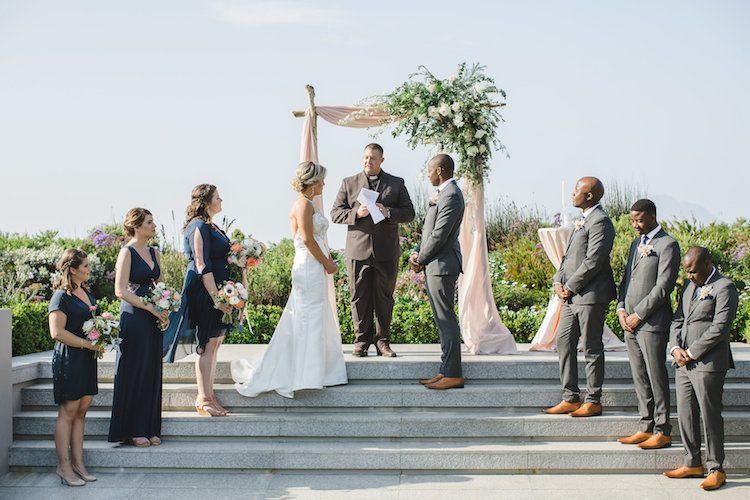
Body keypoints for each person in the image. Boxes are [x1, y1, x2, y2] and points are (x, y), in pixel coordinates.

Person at [231, 162, 347, 397]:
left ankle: (317, 370)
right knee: (309, 315)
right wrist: (327, 263)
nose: (324, 183)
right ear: (313, 181)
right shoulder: (303, 204)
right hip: (309, 265)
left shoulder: (308, 203)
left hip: (312, 264)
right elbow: (307, 240)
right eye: (322, 180)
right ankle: (306, 373)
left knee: (313, 315)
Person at [664, 246, 738, 491]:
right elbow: (678, 319)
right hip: (683, 362)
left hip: (708, 363)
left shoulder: (724, 287)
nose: (689, 276)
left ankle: (716, 468)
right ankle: (692, 462)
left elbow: (720, 327)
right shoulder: (688, 287)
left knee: (710, 415)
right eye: (686, 272)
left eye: (693, 271)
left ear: (708, 264)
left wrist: (692, 352)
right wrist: (675, 348)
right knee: (686, 413)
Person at [331, 143, 415, 357]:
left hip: (386, 251)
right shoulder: (348, 183)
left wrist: (388, 212)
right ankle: (361, 342)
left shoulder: (396, 184)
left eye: (373, 158)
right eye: (366, 158)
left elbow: (409, 213)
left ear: (382, 160)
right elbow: (335, 213)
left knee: (385, 297)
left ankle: (383, 342)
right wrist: (355, 214)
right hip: (357, 251)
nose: (369, 162)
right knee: (358, 297)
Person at [543, 176, 616, 417]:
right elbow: (568, 256)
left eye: (577, 190)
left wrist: (570, 286)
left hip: (590, 295)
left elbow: (594, 260)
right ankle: (570, 396)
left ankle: (593, 400)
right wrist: (558, 279)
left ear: (589, 196)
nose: (572, 194)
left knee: (592, 346)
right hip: (571, 296)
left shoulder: (601, 222)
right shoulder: (582, 220)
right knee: (564, 341)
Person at [615, 199, 680, 449]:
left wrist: (639, 314)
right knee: (639, 375)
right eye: (632, 220)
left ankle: (663, 429)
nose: (635, 225)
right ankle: (646, 425)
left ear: (653, 216)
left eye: (639, 220)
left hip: (651, 322)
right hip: (629, 321)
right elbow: (627, 281)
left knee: (656, 375)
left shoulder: (668, 244)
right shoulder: (635, 244)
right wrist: (621, 309)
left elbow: (663, 287)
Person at [166, 184, 233, 417]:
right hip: (205, 293)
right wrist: (216, 298)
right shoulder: (198, 226)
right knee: (206, 344)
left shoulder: (212, 226)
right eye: (217, 197)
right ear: (206, 202)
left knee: (215, 344)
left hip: (217, 291)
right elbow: (201, 262)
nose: (221, 200)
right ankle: (203, 399)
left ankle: (210, 396)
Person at [108, 208, 169, 447]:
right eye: (150, 222)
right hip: (134, 316)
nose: (154, 226)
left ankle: (149, 426)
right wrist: (150, 307)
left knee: (151, 370)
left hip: (153, 315)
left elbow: (161, 284)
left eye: (154, 222)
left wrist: (165, 308)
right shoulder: (127, 252)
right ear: (137, 226)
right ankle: (133, 430)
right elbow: (120, 290)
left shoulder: (155, 251)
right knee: (135, 369)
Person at [47, 248, 103, 486]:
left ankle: (79, 464)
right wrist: (87, 345)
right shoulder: (61, 296)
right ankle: (64, 466)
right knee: (68, 413)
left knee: (81, 413)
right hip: (70, 358)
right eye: (86, 266)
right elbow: (56, 332)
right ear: (72, 269)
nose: (89, 269)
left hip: (87, 359)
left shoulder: (87, 292)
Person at [410, 154, 465, 390]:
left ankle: (453, 373)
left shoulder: (451, 195)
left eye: (430, 170)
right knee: (442, 320)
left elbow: (440, 235)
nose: (428, 174)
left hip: (442, 266)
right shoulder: (443, 194)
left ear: (440, 170)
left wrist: (421, 259)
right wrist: (416, 251)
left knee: (446, 319)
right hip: (435, 264)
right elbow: (429, 230)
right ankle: (445, 370)